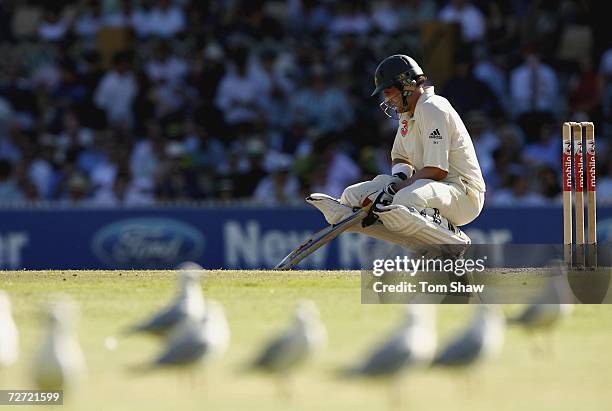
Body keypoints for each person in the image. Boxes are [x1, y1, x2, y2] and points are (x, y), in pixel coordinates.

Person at [308, 54, 485, 253]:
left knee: (404, 201)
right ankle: (425, 247)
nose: (387, 99)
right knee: (353, 197)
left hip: (462, 194)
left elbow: (437, 170)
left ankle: (453, 240)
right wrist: (395, 181)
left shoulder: (432, 107)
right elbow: (400, 157)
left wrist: (394, 190)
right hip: (428, 186)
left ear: (406, 85)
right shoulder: (406, 114)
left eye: (389, 91)